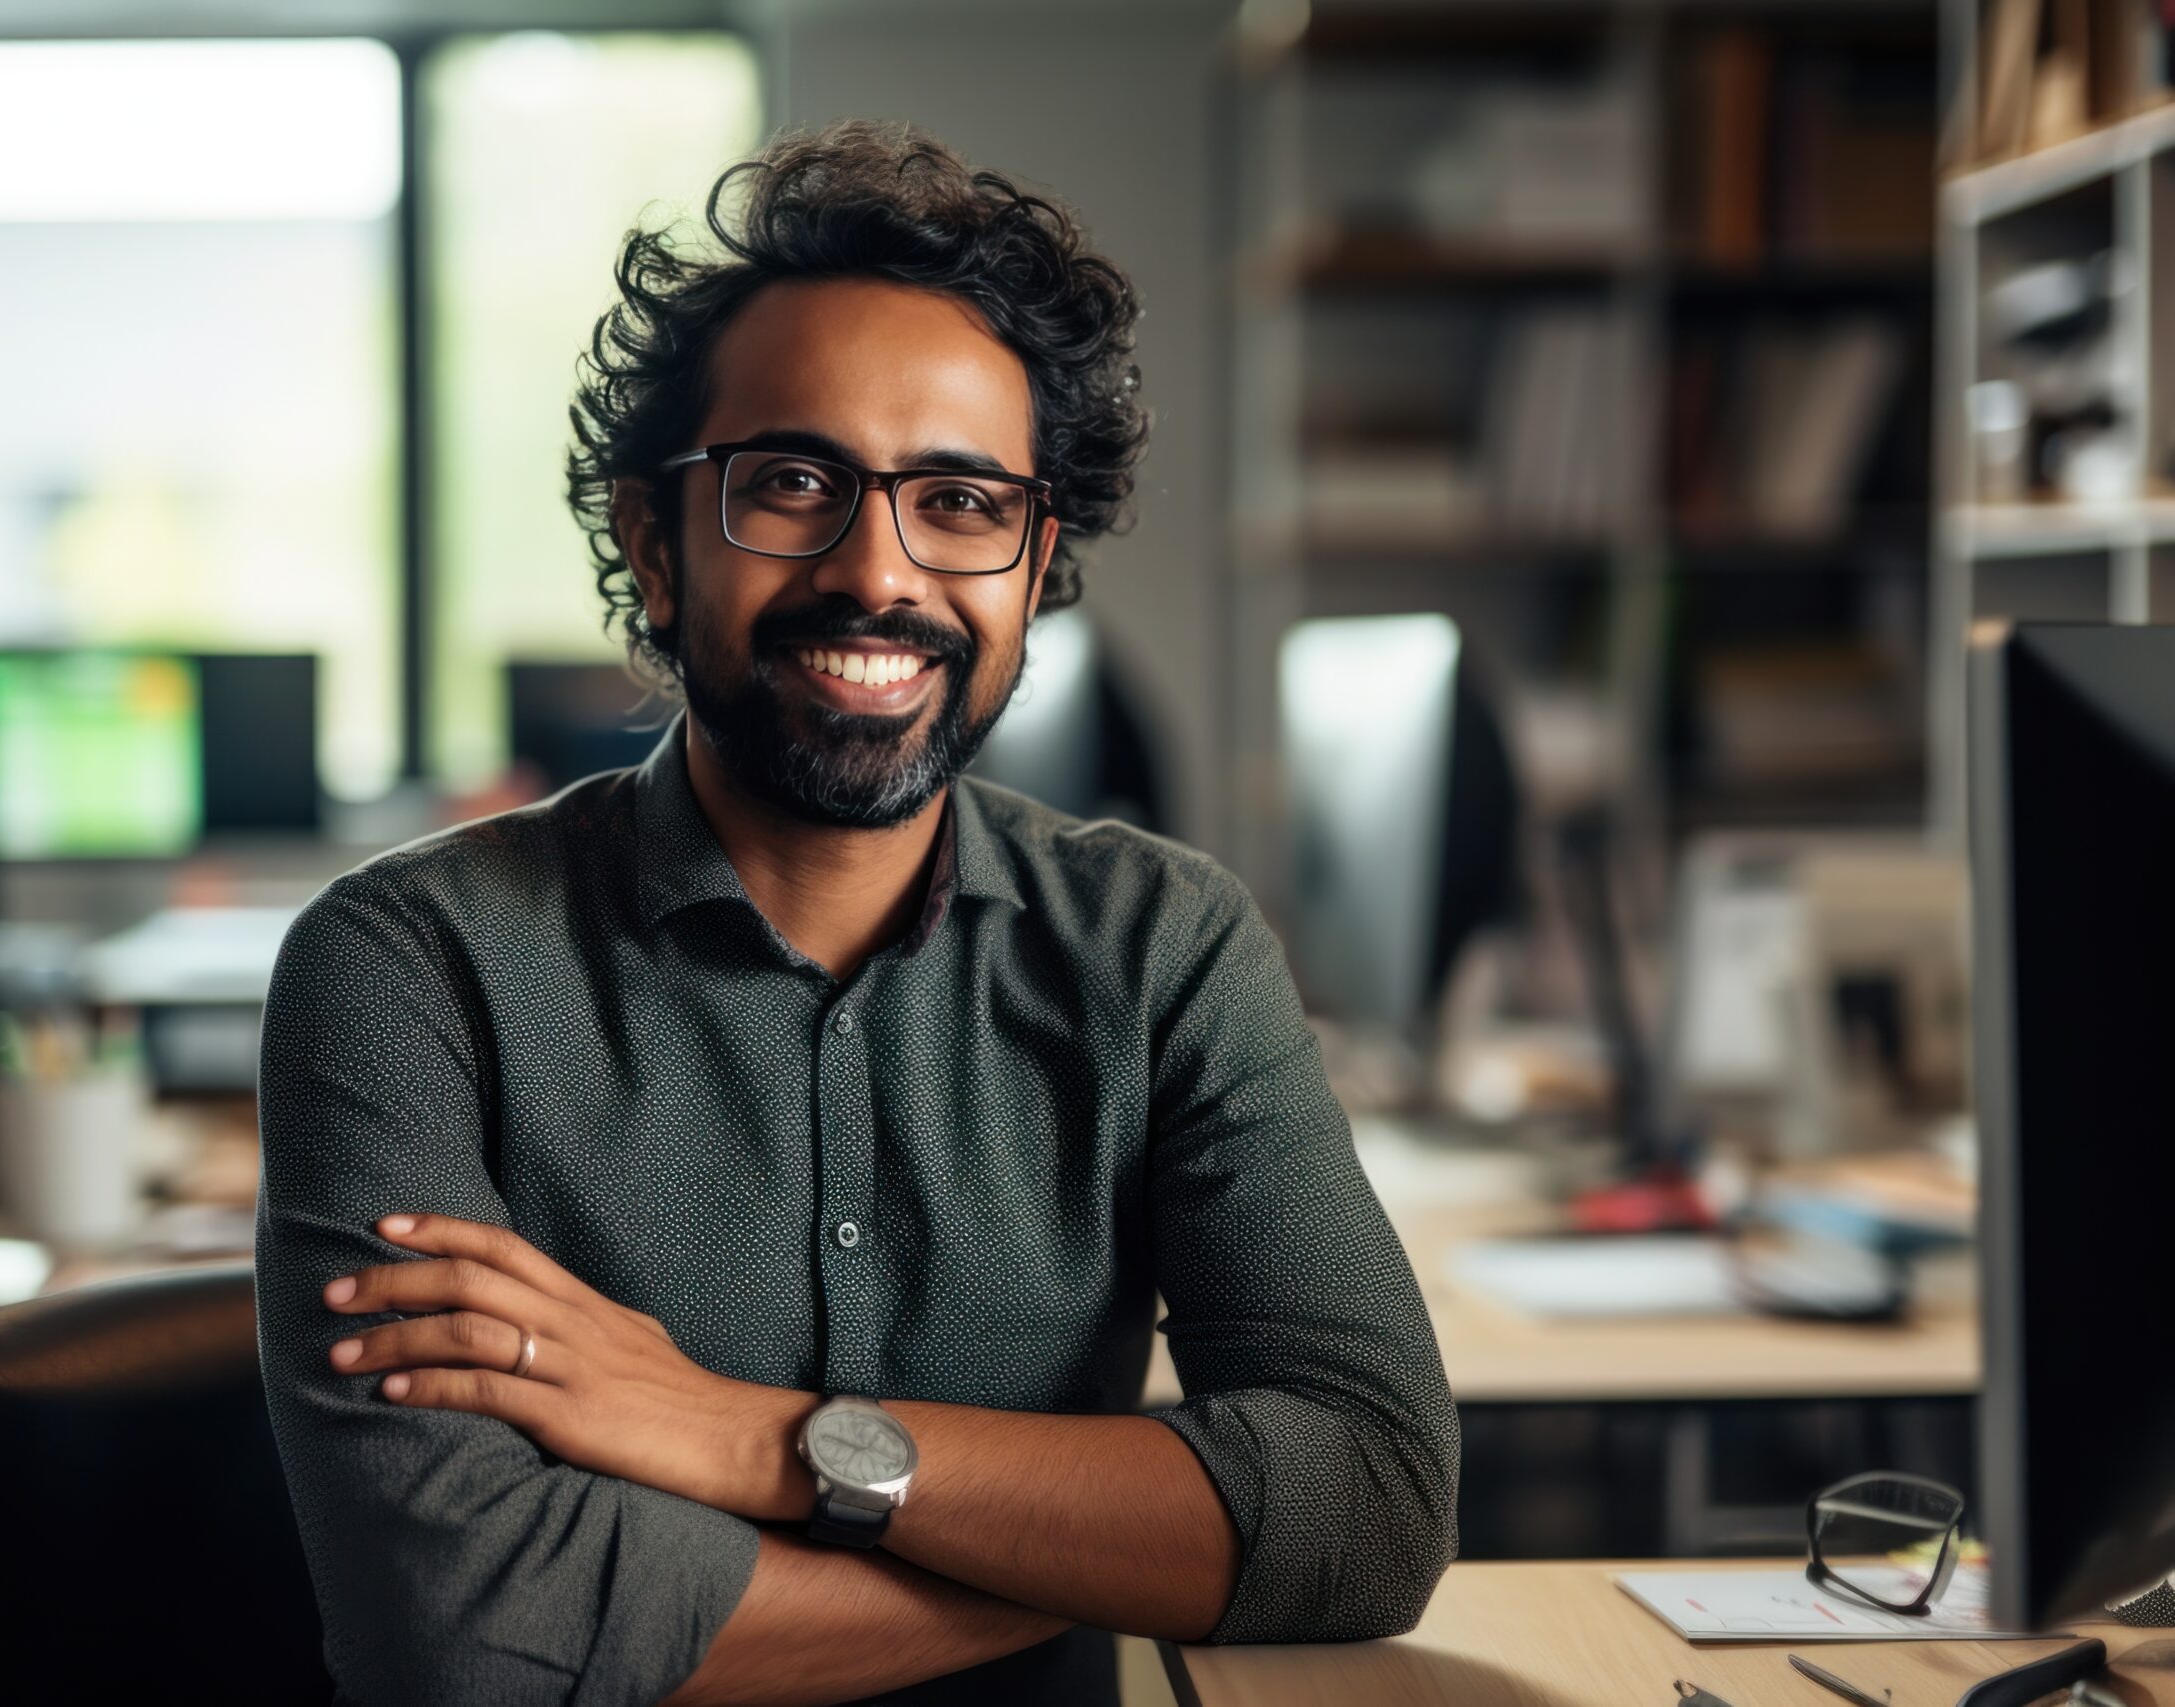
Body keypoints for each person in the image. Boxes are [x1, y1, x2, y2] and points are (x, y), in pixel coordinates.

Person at [254, 121, 1458, 1707]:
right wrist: (1100, 1549)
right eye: (795, 482)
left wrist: (757, 1440)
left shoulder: (1166, 951)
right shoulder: (407, 966)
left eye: (961, 500)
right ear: (652, 546)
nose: (877, 570)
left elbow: (1369, 1502)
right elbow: (475, 1634)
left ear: (1036, 565)